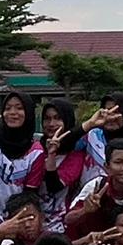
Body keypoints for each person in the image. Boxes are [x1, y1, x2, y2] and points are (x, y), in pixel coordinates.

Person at [0, 90, 45, 242]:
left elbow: (29, 196)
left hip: (15, 230)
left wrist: (14, 224)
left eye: (19, 108)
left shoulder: (36, 152)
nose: (13, 112)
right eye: (8, 108)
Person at [65, 138, 123, 240]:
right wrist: (85, 210)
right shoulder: (96, 186)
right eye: (118, 162)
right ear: (107, 167)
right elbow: (68, 220)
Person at [37, 98, 86, 233]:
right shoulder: (35, 150)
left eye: (57, 118)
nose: (51, 124)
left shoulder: (75, 154)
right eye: (47, 119)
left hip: (62, 227)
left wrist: (52, 155)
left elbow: (54, 186)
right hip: (33, 226)